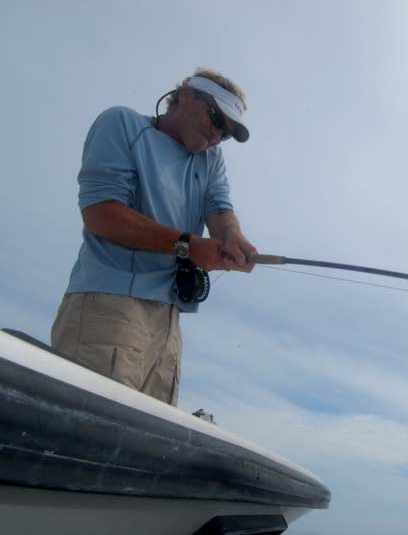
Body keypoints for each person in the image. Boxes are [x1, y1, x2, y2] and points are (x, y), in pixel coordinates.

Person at [51, 68, 257, 406]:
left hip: (169, 326)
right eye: (216, 117)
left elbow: (220, 209)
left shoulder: (210, 160)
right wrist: (189, 246)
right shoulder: (123, 124)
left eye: (228, 132)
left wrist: (232, 236)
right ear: (186, 95)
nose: (218, 134)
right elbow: (101, 214)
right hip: (110, 306)